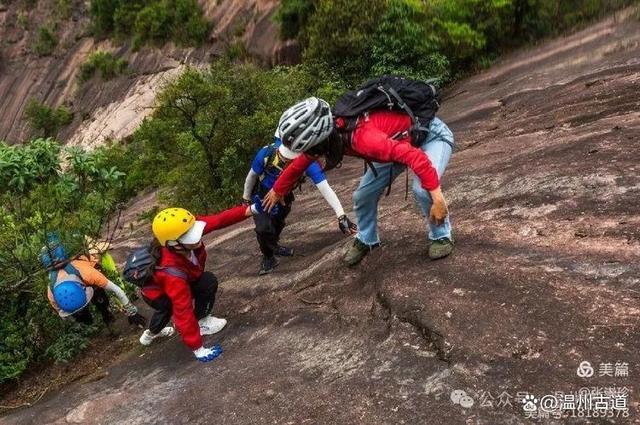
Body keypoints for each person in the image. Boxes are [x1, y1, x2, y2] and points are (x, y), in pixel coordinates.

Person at [262, 97, 454, 266]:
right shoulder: (332, 133)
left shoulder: (365, 139)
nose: (310, 153)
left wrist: (437, 199)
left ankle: (441, 236)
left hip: (430, 136)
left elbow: (416, 157)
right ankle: (368, 239)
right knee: (363, 195)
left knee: (422, 189)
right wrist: (278, 190)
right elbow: (300, 164)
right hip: (397, 145)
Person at [141, 205, 251, 362]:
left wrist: (251, 209)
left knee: (207, 282)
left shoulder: (184, 230)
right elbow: (183, 310)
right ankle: (151, 333)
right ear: (174, 244)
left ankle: (201, 321)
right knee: (168, 309)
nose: (196, 236)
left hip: (181, 280)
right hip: (157, 294)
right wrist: (198, 348)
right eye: (190, 236)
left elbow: (218, 220)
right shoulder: (171, 271)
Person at [242, 131, 357, 275]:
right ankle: (268, 256)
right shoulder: (267, 153)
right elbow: (251, 177)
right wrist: (246, 199)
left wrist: (341, 216)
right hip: (263, 195)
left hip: (285, 196)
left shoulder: (307, 162)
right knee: (263, 228)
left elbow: (325, 188)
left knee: (278, 223)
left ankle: (274, 246)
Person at [42, 234, 146, 328]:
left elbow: (116, 289)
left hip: (89, 270)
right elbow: (62, 313)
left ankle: (105, 313)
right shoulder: (52, 293)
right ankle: (89, 318)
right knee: (82, 315)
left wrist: (132, 312)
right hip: (79, 280)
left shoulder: (88, 273)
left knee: (100, 299)